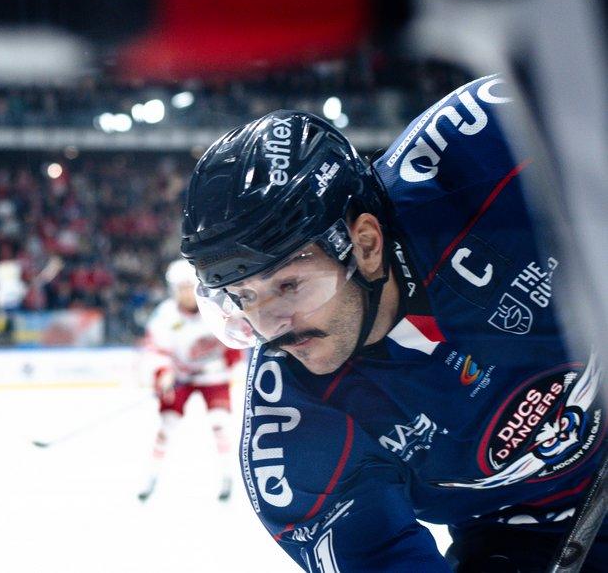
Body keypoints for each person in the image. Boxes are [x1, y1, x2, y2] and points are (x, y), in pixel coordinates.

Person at [180, 75, 605, 571]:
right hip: (526, 532)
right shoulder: (292, 429)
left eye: (289, 285)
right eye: (244, 297)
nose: (272, 327)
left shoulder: (487, 147)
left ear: (364, 244)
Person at [137, 259, 245, 503]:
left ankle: (227, 477)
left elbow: (237, 339)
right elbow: (155, 349)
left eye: (188, 286)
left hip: (214, 377)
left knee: (219, 424)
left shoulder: (216, 306)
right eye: (180, 288)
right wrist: (164, 372)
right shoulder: (165, 314)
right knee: (167, 424)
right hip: (181, 377)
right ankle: (151, 476)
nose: (185, 293)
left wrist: (226, 364)